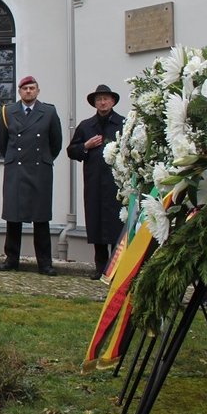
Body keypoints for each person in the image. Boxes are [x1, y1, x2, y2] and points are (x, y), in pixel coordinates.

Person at [0, 75, 63, 276]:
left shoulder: (49, 112)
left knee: (40, 219)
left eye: (32, 88)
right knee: (13, 218)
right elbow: (2, 143)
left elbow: (56, 143)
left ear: (38, 91)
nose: (28, 91)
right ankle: (11, 259)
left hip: (39, 171)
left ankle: (44, 263)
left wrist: (43, 159)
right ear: (19, 92)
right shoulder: (8, 111)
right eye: (25, 88)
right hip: (15, 170)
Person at [67, 84, 125, 279]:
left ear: (113, 101)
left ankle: (116, 269)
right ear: (94, 103)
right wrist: (86, 145)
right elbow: (71, 151)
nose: (102, 102)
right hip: (94, 183)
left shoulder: (123, 124)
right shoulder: (86, 126)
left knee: (116, 226)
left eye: (106, 99)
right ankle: (100, 268)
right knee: (97, 224)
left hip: (116, 184)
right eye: (99, 99)